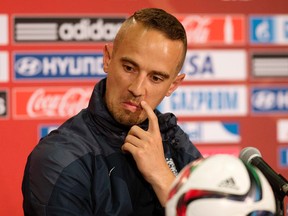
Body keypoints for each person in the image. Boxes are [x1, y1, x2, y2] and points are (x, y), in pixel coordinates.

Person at [22, 8, 202, 216]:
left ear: (173, 85)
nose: (137, 88)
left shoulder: (176, 144)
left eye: (156, 78)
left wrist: (162, 177)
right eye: (129, 68)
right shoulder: (59, 158)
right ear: (108, 58)